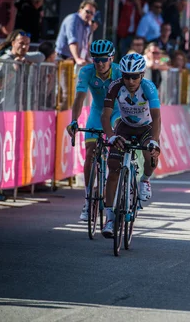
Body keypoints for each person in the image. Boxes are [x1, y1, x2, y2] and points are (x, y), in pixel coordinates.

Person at [101, 53, 161, 238]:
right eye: (126, 76)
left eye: (134, 76)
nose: (130, 80)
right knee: (113, 169)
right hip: (124, 127)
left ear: (142, 75)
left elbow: (157, 117)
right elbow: (105, 115)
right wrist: (110, 136)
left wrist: (154, 141)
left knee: (151, 155)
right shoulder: (115, 86)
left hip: (146, 127)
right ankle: (110, 218)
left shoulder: (149, 87)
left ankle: (145, 180)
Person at [66, 40, 122, 221]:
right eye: (96, 59)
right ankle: (89, 198)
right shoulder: (86, 71)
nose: (99, 63)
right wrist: (74, 121)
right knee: (90, 152)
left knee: (116, 148)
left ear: (111, 58)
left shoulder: (120, 72)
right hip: (97, 112)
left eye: (104, 59)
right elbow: (79, 99)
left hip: (117, 112)